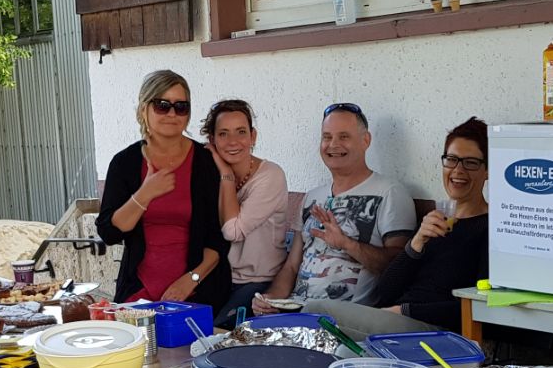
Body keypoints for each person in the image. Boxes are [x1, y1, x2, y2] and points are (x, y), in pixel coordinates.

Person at [301, 117, 489, 340]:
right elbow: (386, 291)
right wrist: (416, 242)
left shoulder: (490, 228)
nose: (458, 170)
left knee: (316, 311)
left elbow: (480, 306)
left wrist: (406, 311)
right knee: (343, 353)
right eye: (451, 160)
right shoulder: (433, 222)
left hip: (437, 331)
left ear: (488, 169)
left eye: (470, 163)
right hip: (399, 321)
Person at [254, 103, 415, 314]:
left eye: (344, 137)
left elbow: (398, 269)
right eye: (327, 137)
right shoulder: (312, 197)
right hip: (297, 312)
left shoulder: (390, 193)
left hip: (345, 320)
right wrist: (270, 299)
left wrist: (346, 244)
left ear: (366, 140)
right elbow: (292, 266)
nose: (333, 145)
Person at [96, 70, 231, 310]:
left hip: (196, 291)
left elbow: (218, 238)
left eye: (181, 107)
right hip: (138, 291)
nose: (172, 114)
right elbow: (109, 233)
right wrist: (145, 194)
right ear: (143, 109)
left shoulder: (204, 161)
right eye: (162, 105)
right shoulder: (125, 163)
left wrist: (191, 280)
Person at [201, 99, 290, 327]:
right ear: (212, 140)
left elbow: (233, 231)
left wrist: (227, 176)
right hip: (218, 277)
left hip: (259, 283)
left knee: (218, 333)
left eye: (241, 132)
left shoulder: (270, 175)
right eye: (223, 134)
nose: (233, 141)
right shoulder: (208, 174)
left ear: (253, 136)